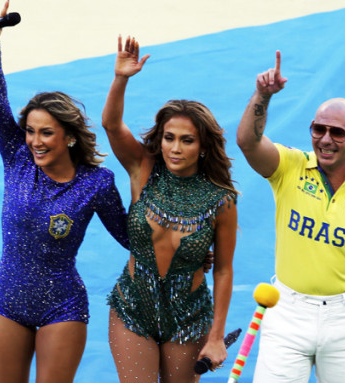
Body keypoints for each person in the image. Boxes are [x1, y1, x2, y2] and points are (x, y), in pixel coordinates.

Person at [236, 51, 345, 382]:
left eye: (337, 132)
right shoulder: (288, 166)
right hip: (287, 310)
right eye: (319, 129)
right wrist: (263, 95)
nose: (325, 140)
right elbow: (248, 142)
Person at [0, 1, 129, 382]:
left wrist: (180, 249)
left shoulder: (96, 183)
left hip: (62, 307)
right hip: (6, 302)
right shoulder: (16, 158)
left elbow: (131, 237)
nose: (34, 141)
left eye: (46, 132)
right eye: (30, 131)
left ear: (70, 137)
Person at [101, 36, 238, 383]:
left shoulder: (221, 200)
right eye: (168, 137)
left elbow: (222, 271)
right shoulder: (142, 168)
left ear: (204, 146)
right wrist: (121, 79)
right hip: (132, 309)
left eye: (187, 140)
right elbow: (111, 126)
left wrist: (217, 335)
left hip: (189, 318)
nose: (175, 148)